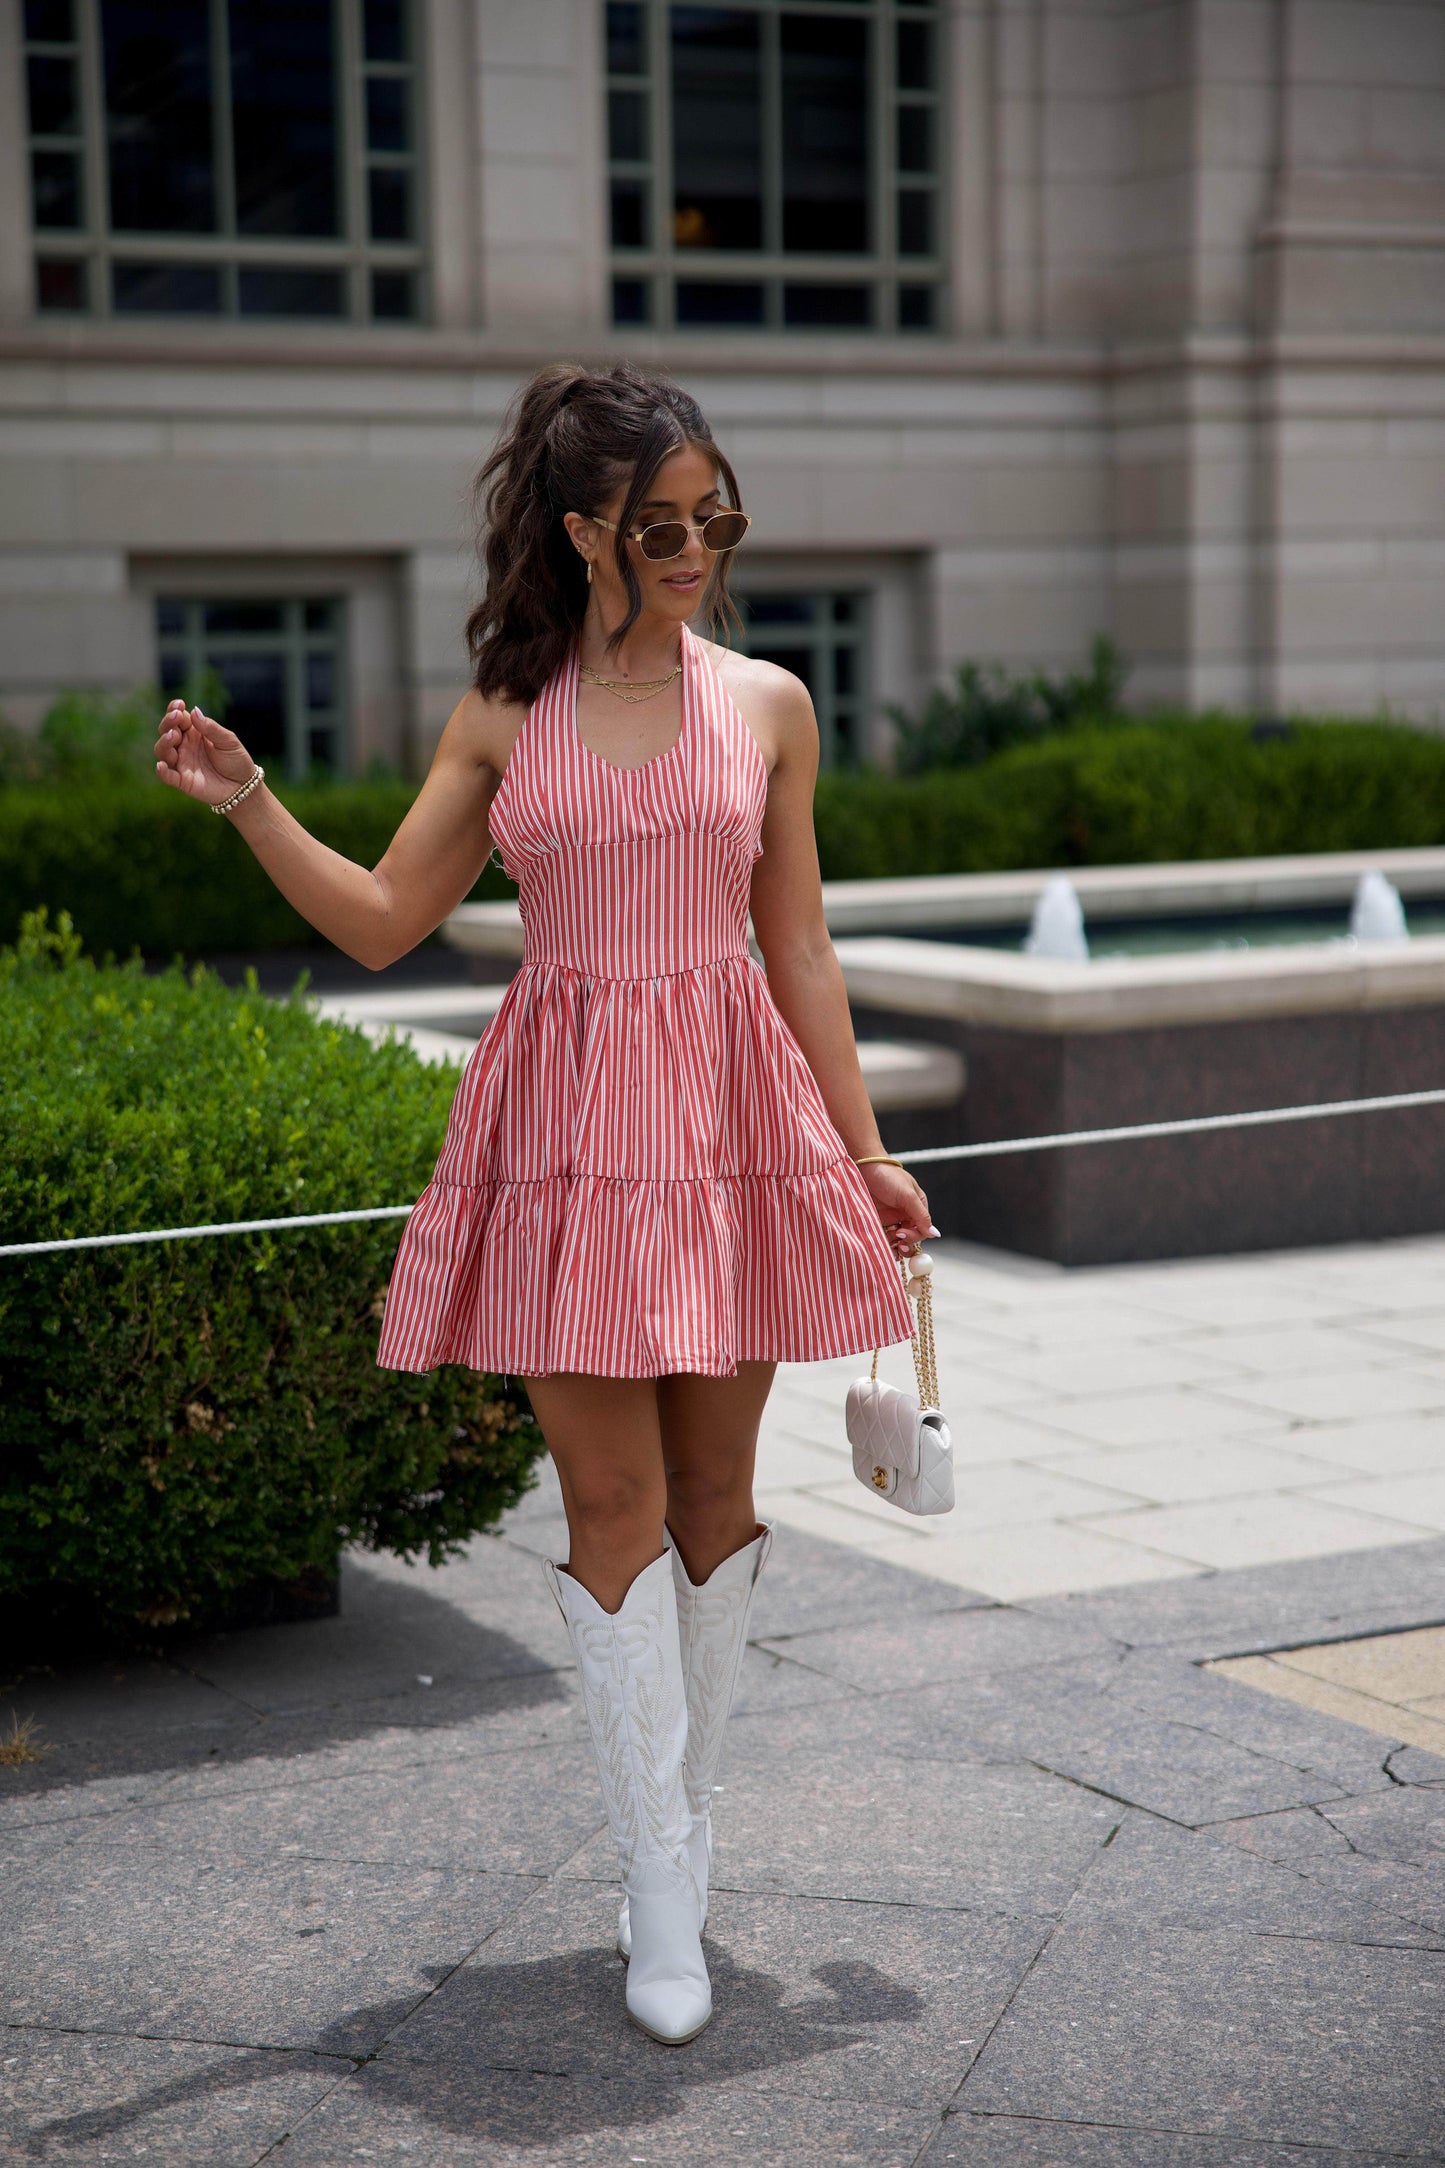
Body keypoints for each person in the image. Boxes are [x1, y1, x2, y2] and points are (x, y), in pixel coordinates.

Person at [153, 361, 933, 2046]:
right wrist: (250, 803)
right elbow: (379, 922)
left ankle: (686, 1826)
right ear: (584, 531)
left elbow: (796, 945)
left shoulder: (771, 704)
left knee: (715, 1505)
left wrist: (863, 1154)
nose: (697, 544)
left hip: (726, 1123)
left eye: (715, 512)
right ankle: (655, 1877)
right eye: (661, 522)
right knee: (612, 1500)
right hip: (570, 1128)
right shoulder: (508, 716)